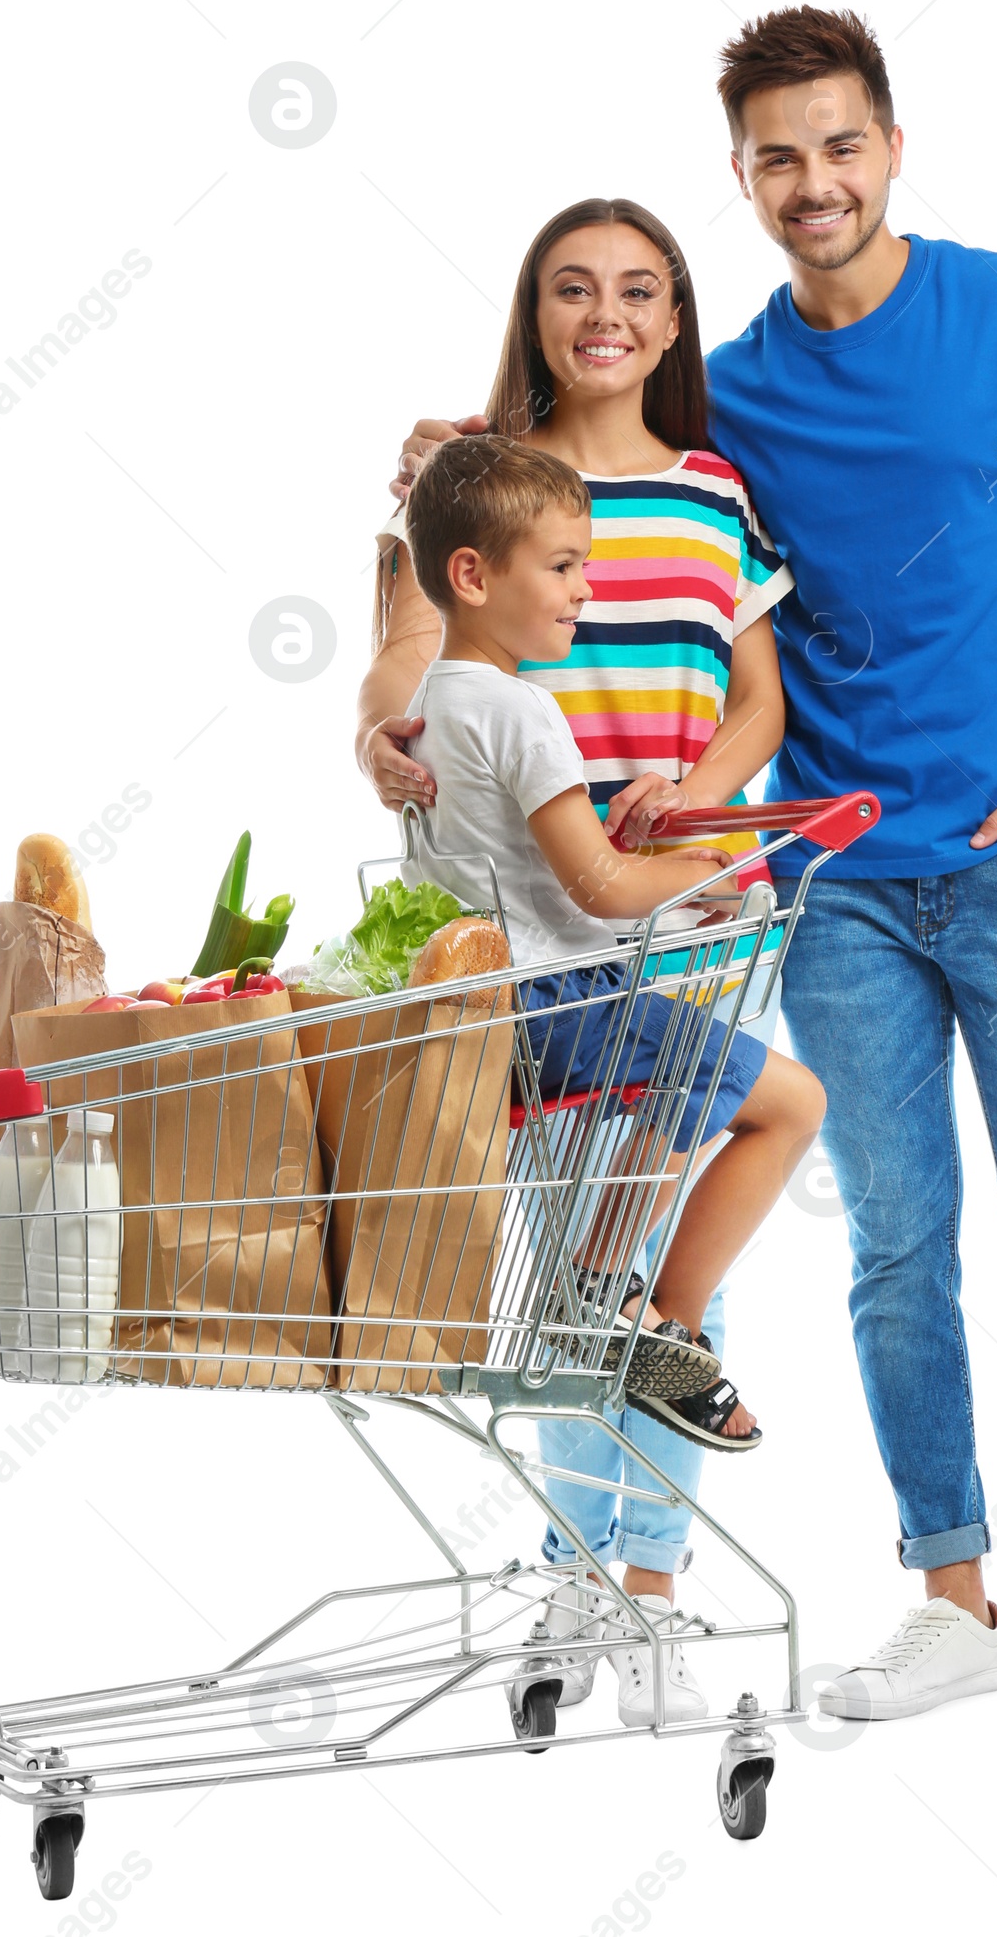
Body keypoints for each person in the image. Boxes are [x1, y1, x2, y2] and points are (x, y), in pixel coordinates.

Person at [388, 7, 997, 1709]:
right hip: (823, 896)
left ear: (892, 147)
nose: (814, 181)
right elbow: (546, 527)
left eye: (841, 145)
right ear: (743, 180)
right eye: (777, 157)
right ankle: (951, 1602)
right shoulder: (732, 405)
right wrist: (433, 507)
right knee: (893, 1244)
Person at [356, 199, 798, 1726]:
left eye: (637, 290)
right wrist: (379, 730)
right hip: (530, 933)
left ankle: (651, 1582)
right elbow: (403, 658)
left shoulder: (714, 494)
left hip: (675, 915)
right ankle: (576, 1570)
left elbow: (758, 699)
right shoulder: (466, 474)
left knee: (649, 1274)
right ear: (534, 310)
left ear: (674, 322)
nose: (603, 313)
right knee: (565, 1264)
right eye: (570, 287)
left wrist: (699, 798)